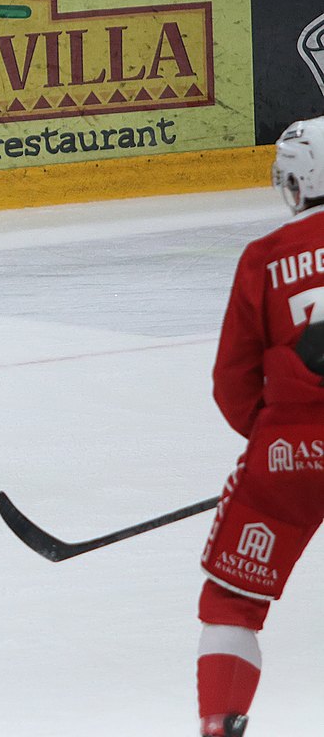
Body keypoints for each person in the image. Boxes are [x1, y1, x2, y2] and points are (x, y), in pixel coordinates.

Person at [195, 117, 324, 737]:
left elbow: (232, 381)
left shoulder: (265, 257)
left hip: (289, 452)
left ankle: (221, 725)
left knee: (232, 602)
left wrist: (276, 442)